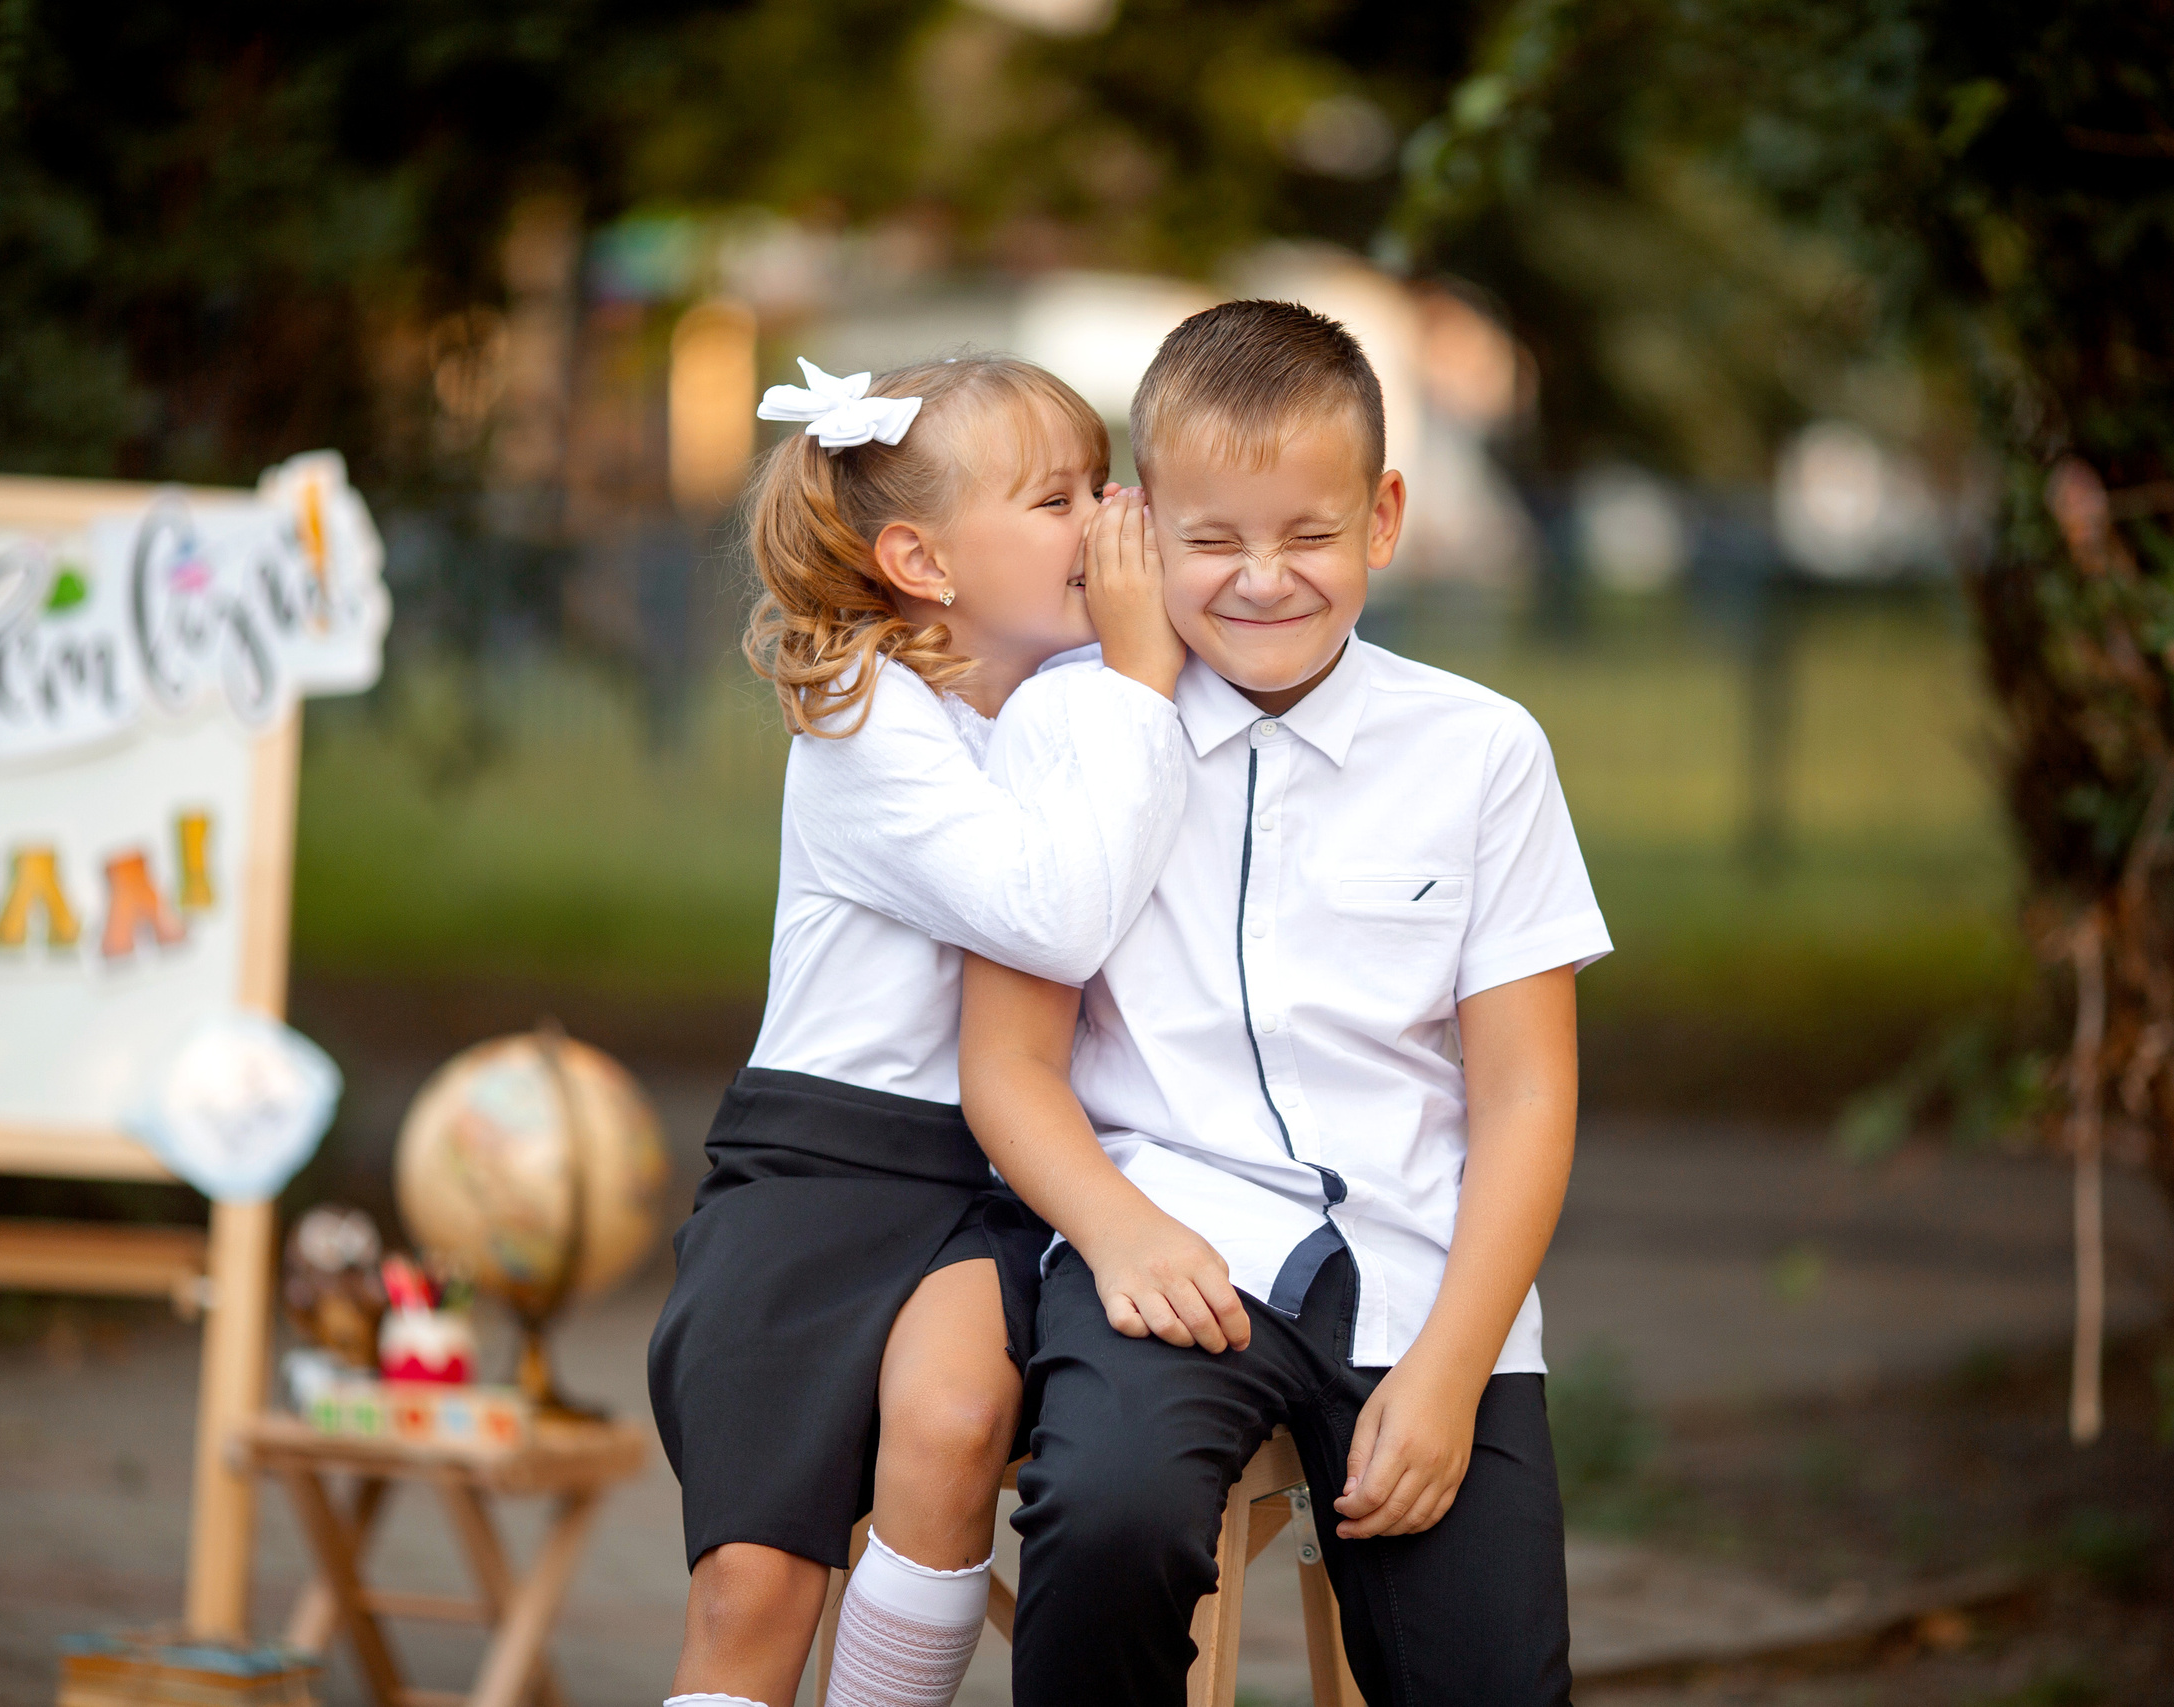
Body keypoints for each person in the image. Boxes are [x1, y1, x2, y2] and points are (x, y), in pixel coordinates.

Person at [959, 301, 1610, 1707]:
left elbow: (1526, 1093)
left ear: (1383, 515)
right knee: (1111, 1518)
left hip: (1430, 1276)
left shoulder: (1485, 754)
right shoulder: (1066, 732)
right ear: (1136, 523)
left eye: (1308, 536)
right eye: (1211, 541)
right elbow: (1006, 1067)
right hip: (1172, 1254)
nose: (1263, 580)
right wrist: (1119, 1233)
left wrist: (1449, 1374)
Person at [650, 354, 1187, 1707]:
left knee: (950, 1430)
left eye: (1101, 480)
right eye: (1058, 498)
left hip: (991, 1176)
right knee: (755, 1584)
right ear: (921, 560)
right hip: (823, 1173)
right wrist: (1139, 675)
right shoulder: (865, 719)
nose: (1108, 518)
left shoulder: (1051, 712)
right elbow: (1049, 919)